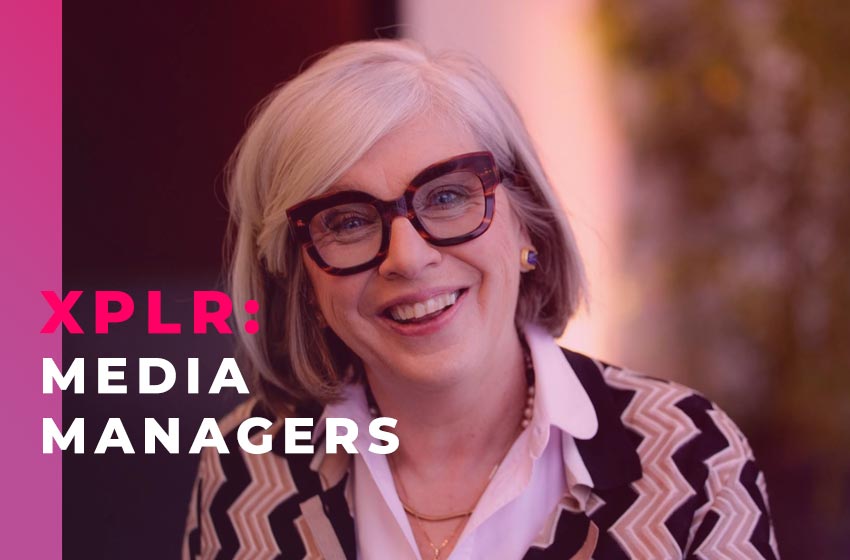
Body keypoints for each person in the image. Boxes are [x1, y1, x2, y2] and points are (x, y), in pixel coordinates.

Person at [182, 39, 779, 560]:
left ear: (526, 224)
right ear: (302, 280)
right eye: (348, 221)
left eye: (446, 197)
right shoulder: (246, 463)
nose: (407, 258)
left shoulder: (691, 457)